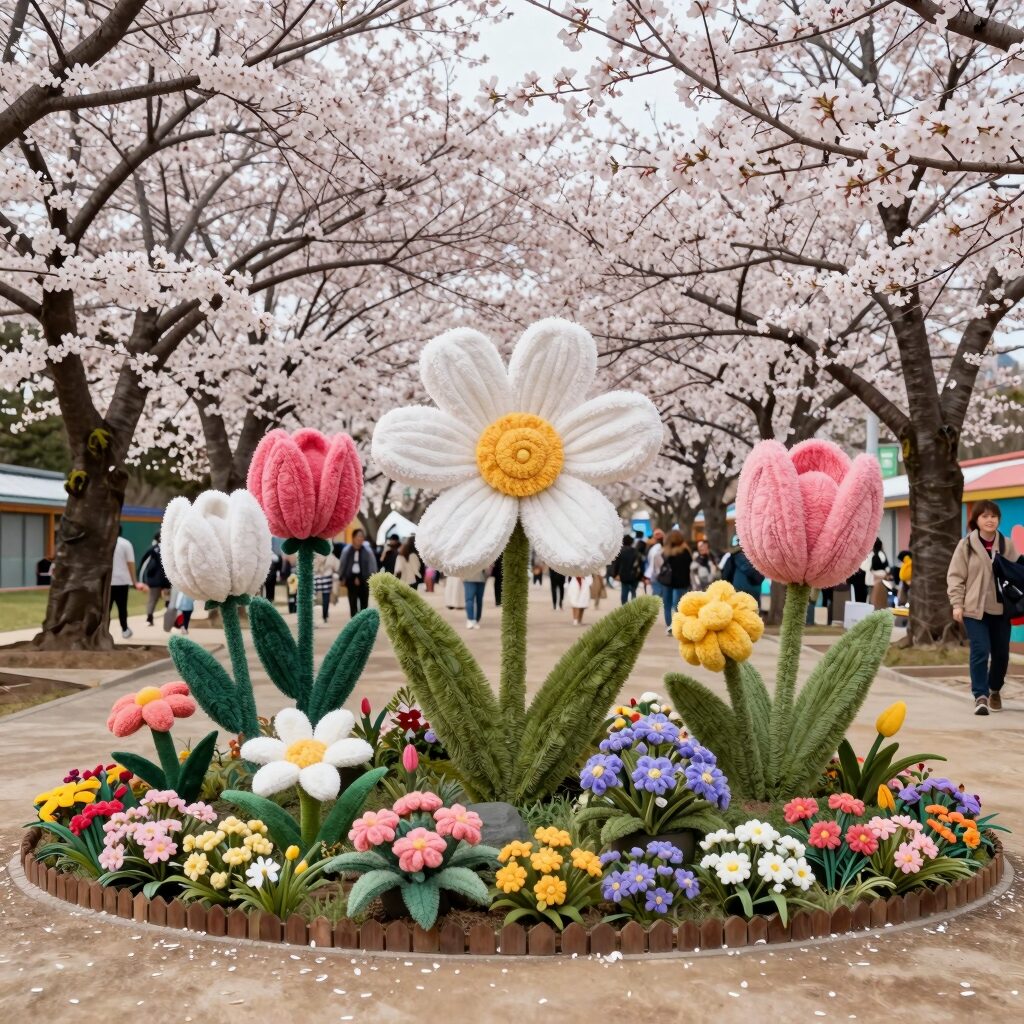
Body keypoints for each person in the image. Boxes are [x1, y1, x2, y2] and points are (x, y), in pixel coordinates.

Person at [947, 500, 1020, 715]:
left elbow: (1019, 573)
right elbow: (955, 577)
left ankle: (994, 688)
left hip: (1002, 609)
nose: (990, 520)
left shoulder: (1007, 545)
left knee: (1001, 655)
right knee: (980, 651)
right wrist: (956, 604)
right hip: (973, 609)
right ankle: (980, 695)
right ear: (976, 520)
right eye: (985, 516)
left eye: (994, 516)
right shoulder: (966, 545)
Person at [658, 529, 692, 633]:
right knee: (678, 605)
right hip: (682, 582)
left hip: (667, 581)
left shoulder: (665, 553)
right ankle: (678, 626)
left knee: (667, 605)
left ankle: (669, 626)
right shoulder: (686, 552)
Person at [110, 528, 140, 639]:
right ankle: (124, 629)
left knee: (106, 608)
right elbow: (130, 563)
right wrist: (134, 582)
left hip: (107, 582)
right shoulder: (125, 543)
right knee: (122, 607)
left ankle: (104, 630)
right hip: (122, 581)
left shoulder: (105, 544)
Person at [339, 529, 377, 617]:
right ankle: (354, 623)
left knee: (364, 604)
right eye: (358, 536)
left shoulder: (368, 551)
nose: (360, 538)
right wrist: (342, 577)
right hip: (350, 579)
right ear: (353, 538)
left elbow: (372, 566)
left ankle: (363, 623)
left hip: (364, 579)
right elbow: (343, 564)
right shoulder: (347, 551)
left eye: (362, 536)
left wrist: (372, 579)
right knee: (352, 603)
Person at [137, 532, 170, 626]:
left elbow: (143, 563)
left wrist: (141, 580)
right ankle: (169, 620)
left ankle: (149, 619)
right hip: (167, 579)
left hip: (155, 580)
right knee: (169, 599)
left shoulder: (153, 548)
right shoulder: (170, 548)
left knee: (152, 599)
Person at [722, 544, 764, 611]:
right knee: (753, 615)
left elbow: (726, 576)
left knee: (739, 615)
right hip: (755, 592)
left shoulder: (734, 556)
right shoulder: (758, 556)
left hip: (738, 592)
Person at [612, 534, 644, 604]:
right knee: (633, 591)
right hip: (635, 576)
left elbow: (617, 564)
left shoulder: (620, 552)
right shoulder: (636, 552)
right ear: (631, 542)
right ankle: (633, 607)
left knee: (624, 592)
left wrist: (615, 574)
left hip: (624, 575)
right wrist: (641, 576)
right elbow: (641, 564)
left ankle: (625, 608)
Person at [313, 550, 340, 625]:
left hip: (317, 577)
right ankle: (325, 615)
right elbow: (337, 566)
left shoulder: (315, 555)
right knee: (326, 597)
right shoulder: (330, 555)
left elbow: (312, 567)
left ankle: (315, 615)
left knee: (315, 598)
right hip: (327, 577)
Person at [867, 538, 891, 610]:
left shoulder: (876, 555)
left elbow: (872, 568)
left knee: (875, 602)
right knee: (878, 601)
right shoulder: (881, 554)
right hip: (879, 580)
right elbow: (887, 567)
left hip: (877, 581)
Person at [645, 528, 665, 604]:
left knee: (656, 596)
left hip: (655, 574)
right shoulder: (658, 548)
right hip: (658, 574)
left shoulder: (651, 548)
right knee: (657, 597)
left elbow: (648, 562)